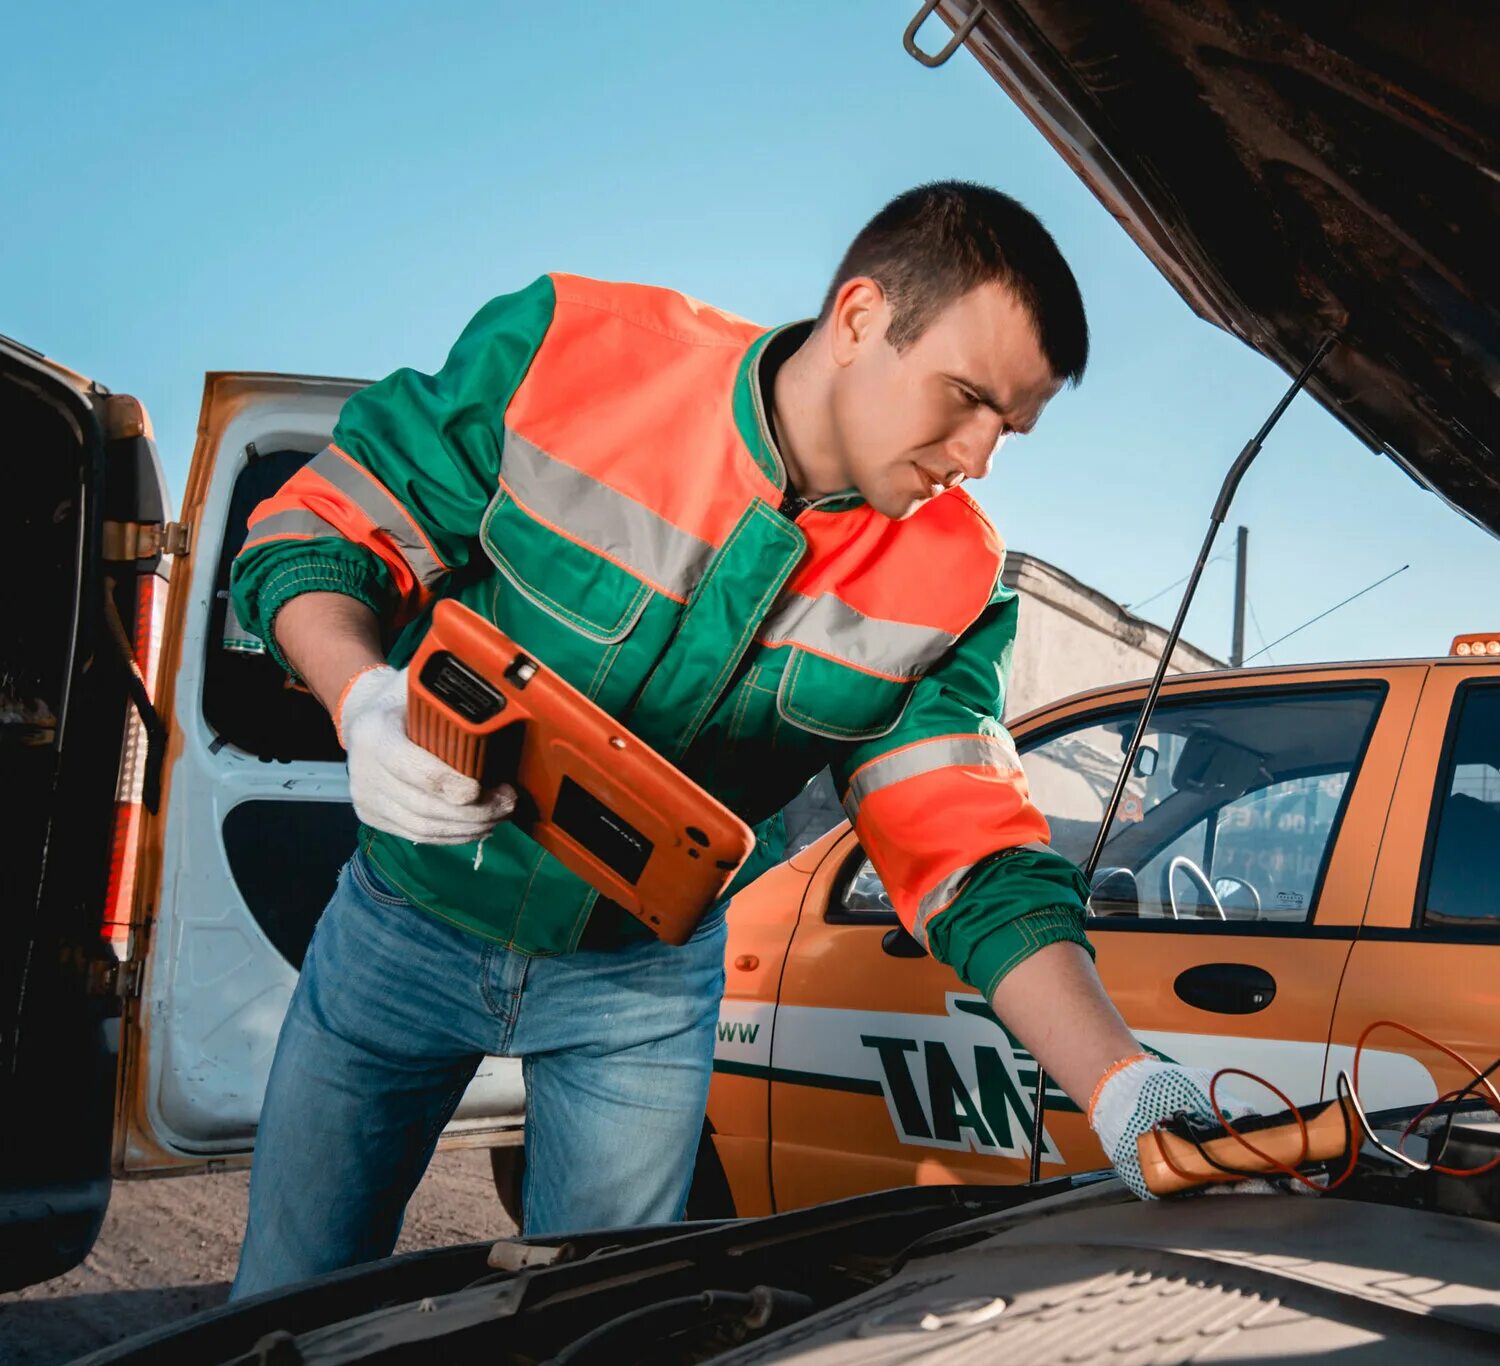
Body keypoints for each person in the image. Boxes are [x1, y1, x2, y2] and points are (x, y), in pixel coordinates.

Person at [227, 181, 1249, 1298]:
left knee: (605, 1322)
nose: (980, 454)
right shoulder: (572, 352)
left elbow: (970, 856)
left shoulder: (951, 581)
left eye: (1010, 425)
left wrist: (1118, 1085)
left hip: (640, 988)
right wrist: (362, 698)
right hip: (405, 921)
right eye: (966, 398)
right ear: (859, 318)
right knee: (288, 1297)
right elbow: (316, 533)